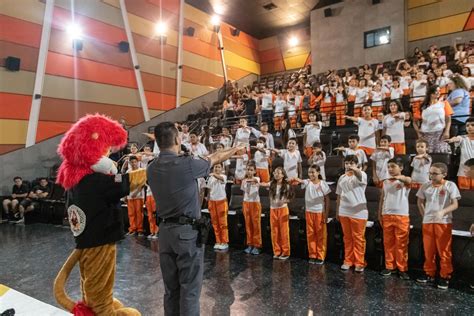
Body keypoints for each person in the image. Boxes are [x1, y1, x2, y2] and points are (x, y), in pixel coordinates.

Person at [147, 122, 242, 316]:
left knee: (171, 290)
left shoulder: (151, 168)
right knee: (189, 291)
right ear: (177, 139)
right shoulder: (187, 164)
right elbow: (215, 157)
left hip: (164, 233)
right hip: (186, 235)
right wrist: (237, 148)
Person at [416, 162, 461, 289]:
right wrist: (424, 215)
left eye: (435, 173)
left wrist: (443, 211)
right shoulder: (425, 185)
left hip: (444, 222)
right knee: (429, 249)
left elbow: (455, 204)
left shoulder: (450, 185)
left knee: (444, 250)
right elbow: (420, 201)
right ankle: (429, 273)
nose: (431, 176)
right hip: (428, 222)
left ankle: (445, 275)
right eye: (430, 173)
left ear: (444, 174)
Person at [378, 157, 412, 280]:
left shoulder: (404, 181)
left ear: (401, 168)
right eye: (389, 167)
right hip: (387, 215)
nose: (390, 169)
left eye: (393, 167)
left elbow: (408, 179)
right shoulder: (386, 182)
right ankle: (389, 266)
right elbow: (383, 198)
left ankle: (402, 268)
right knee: (388, 242)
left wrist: (399, 177)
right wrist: (380, 213)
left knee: (401, 243)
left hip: (402, 216)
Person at [336, 155, 368, 272]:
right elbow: (339, 195)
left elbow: (359, 175)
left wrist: (354, 169)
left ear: (357, 165)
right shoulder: (342, 178)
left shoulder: (361, 174)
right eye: (346, 163)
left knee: (358, 238)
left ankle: (359, 262)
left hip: (358, 212)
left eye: (351, 163)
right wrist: (337, 211)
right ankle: (348, 260)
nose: (348, 165)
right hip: (344, 211)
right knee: (347, 238)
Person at [294, 165, 331, 264]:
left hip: (319, 212)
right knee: (310, 234)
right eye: (309, 172)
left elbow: (327, 200)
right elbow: (301, 181)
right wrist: (296, 179)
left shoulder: (323, 184)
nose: (311, 174)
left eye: (313, 172)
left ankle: (320, 255)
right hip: (309, 212)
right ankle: (312, 254)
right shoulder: (307, 182)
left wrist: (326, 214)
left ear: (318, 172)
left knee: (320, 235)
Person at [261, 167, 294, 260]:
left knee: (284, 231)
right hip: (273, 209)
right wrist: (256, 182)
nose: (276, 174)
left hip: (282, 209)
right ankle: (277, 251)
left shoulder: (286, 185)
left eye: (278, 173)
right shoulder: (271, 184)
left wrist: (283, 201)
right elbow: (262, 184)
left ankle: (285, 252)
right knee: (274, 231)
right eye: (275, 172)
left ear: (283, 175)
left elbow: (290, 198)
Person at [413, 85, 453, 153]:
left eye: (439, 91)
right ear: (430, 93)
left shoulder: (444, 103)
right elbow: (414, 122)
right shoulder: (422, 106)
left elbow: (448, 119)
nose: (438, 92)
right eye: (436, 91)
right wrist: (418, 133)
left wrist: (447, 131)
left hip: (440, 133)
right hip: (426, 134)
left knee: (440, 153)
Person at [446, 117, 474, 190]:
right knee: (465, 194)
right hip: (463, 172)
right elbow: (456, 138)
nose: (469, 127)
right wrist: (451, 140)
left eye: (472, 125)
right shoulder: (462, 138)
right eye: (467, 125)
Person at [206, 163, 229, 251]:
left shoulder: (223, 176)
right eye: (215, 167)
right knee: (215, 223)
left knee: (223, 223)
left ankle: (224, 241)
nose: (216, 168)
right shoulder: (211, 178)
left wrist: (213, 174)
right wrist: (208, 201)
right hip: (212, 201)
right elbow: (209, 190)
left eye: (218, 167)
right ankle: (218, 241)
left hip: (221, 202)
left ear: (222, 169)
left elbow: (220, 178)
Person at [241, 162, 262, 255]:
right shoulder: (244, 180)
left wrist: (249, 180)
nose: (249, 171)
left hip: (255, 203)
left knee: (256, 224)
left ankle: (257, 245)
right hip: (246, 203)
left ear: (254, 171)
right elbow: (244, 192)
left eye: (251, 170)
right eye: (248, 169)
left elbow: (255, 181)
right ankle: (250, 244)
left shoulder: (257, 178)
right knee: (248, 224)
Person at [125, 156, 145, 237]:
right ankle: (132, 229)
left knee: (139, 213)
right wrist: (126, 195)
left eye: (135, 162)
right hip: (130, 196)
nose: (133, 163)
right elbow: (126, 185)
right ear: (130, 163)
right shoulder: (128, 171)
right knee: (131, 213)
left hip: (139, 196)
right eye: (132, 162)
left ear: (137, 162)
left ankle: (140, 229)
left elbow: (143, 183)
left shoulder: (142, 170)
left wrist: (136, 192)